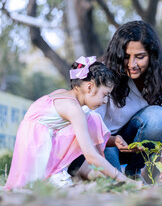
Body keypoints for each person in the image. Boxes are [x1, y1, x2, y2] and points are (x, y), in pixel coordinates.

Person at [5, 56, 138, 190]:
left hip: (32, 141)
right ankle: (55, 174)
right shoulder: (73, 109)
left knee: (91, 118)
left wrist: (113, 139)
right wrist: (124, 179)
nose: (105, 101)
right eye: (105, 95)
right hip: (36, 152)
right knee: (90, 117)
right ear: (90, 87)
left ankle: (70, 170)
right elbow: (91, 155)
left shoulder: (62, 94)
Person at [95, 20, 162, 182]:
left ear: (152, 55)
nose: (132, 64)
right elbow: (91, 126)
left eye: (140, 57)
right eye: (126, 57)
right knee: (117, 184)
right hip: (105, 144)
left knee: (157, 117)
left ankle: (134, 171)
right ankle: (120, 177)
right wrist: (113, 141)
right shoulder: (103, 72)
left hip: (136, 148)